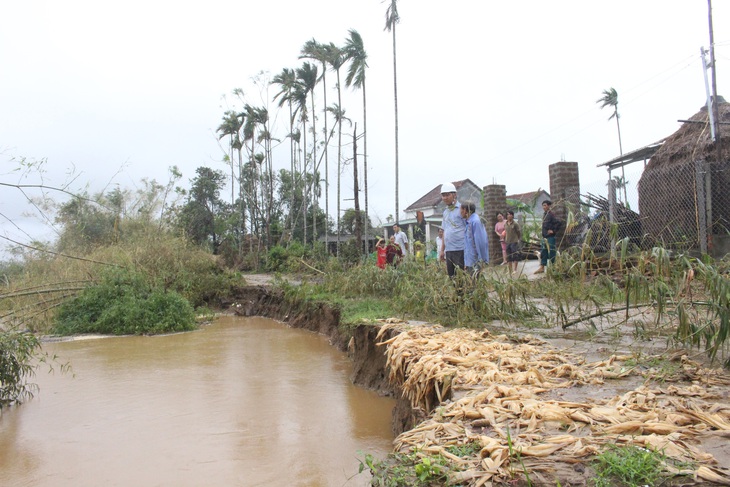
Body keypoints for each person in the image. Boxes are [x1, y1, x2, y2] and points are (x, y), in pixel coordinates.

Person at [439, 182, 466, 277]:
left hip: (460, 249)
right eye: (443, 195)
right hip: (449, 250)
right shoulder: (445, 212)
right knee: (452, 278)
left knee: (462, 277)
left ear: (454, 194)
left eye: (447, 195)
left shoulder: (462, 209)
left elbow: (468, 229)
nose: (445, 198)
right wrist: (442, 250)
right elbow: (444, 232)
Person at [461, 201, 489, 276]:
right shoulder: (468, 222)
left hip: (475, 260)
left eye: (461, 210)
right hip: (470, 261)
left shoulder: (475, 222)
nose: (460, 212)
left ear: (465, 210)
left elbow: (481, 242)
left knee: (475, 283)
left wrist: (482, 260)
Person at [535, 200, 562, 274]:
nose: (544, 207)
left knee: (551, 252)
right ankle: (542, 267)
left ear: (549, 206)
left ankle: (553, 268)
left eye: (545, 205)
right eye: (543, 205)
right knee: (544, 252)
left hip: (550, 237)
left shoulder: (551, 215)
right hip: (545, 237)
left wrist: (553, 230)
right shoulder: (545, 214)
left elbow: (559, 223)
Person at [504, 210, 521, 275]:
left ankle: (515, 269)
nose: (509, 216)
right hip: (507, 241)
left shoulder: (515, 224)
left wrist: (518, 239)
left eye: (510, 214)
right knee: (509, 256)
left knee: (515, 255)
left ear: (513, 216)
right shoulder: (505, 224)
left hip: (514, 241)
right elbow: (505, 232)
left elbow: (518, 232)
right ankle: (510, 270)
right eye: (508, 214)